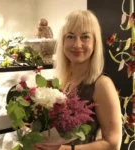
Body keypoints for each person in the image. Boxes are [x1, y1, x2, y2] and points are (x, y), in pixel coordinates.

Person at [35, 9, 122, 150]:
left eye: (85, 37)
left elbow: (113, 143)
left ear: (95, 43)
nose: (77, 44)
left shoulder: (102, 85)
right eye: (70, 37)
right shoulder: (62, 81)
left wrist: (64, 149)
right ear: (62, 42)